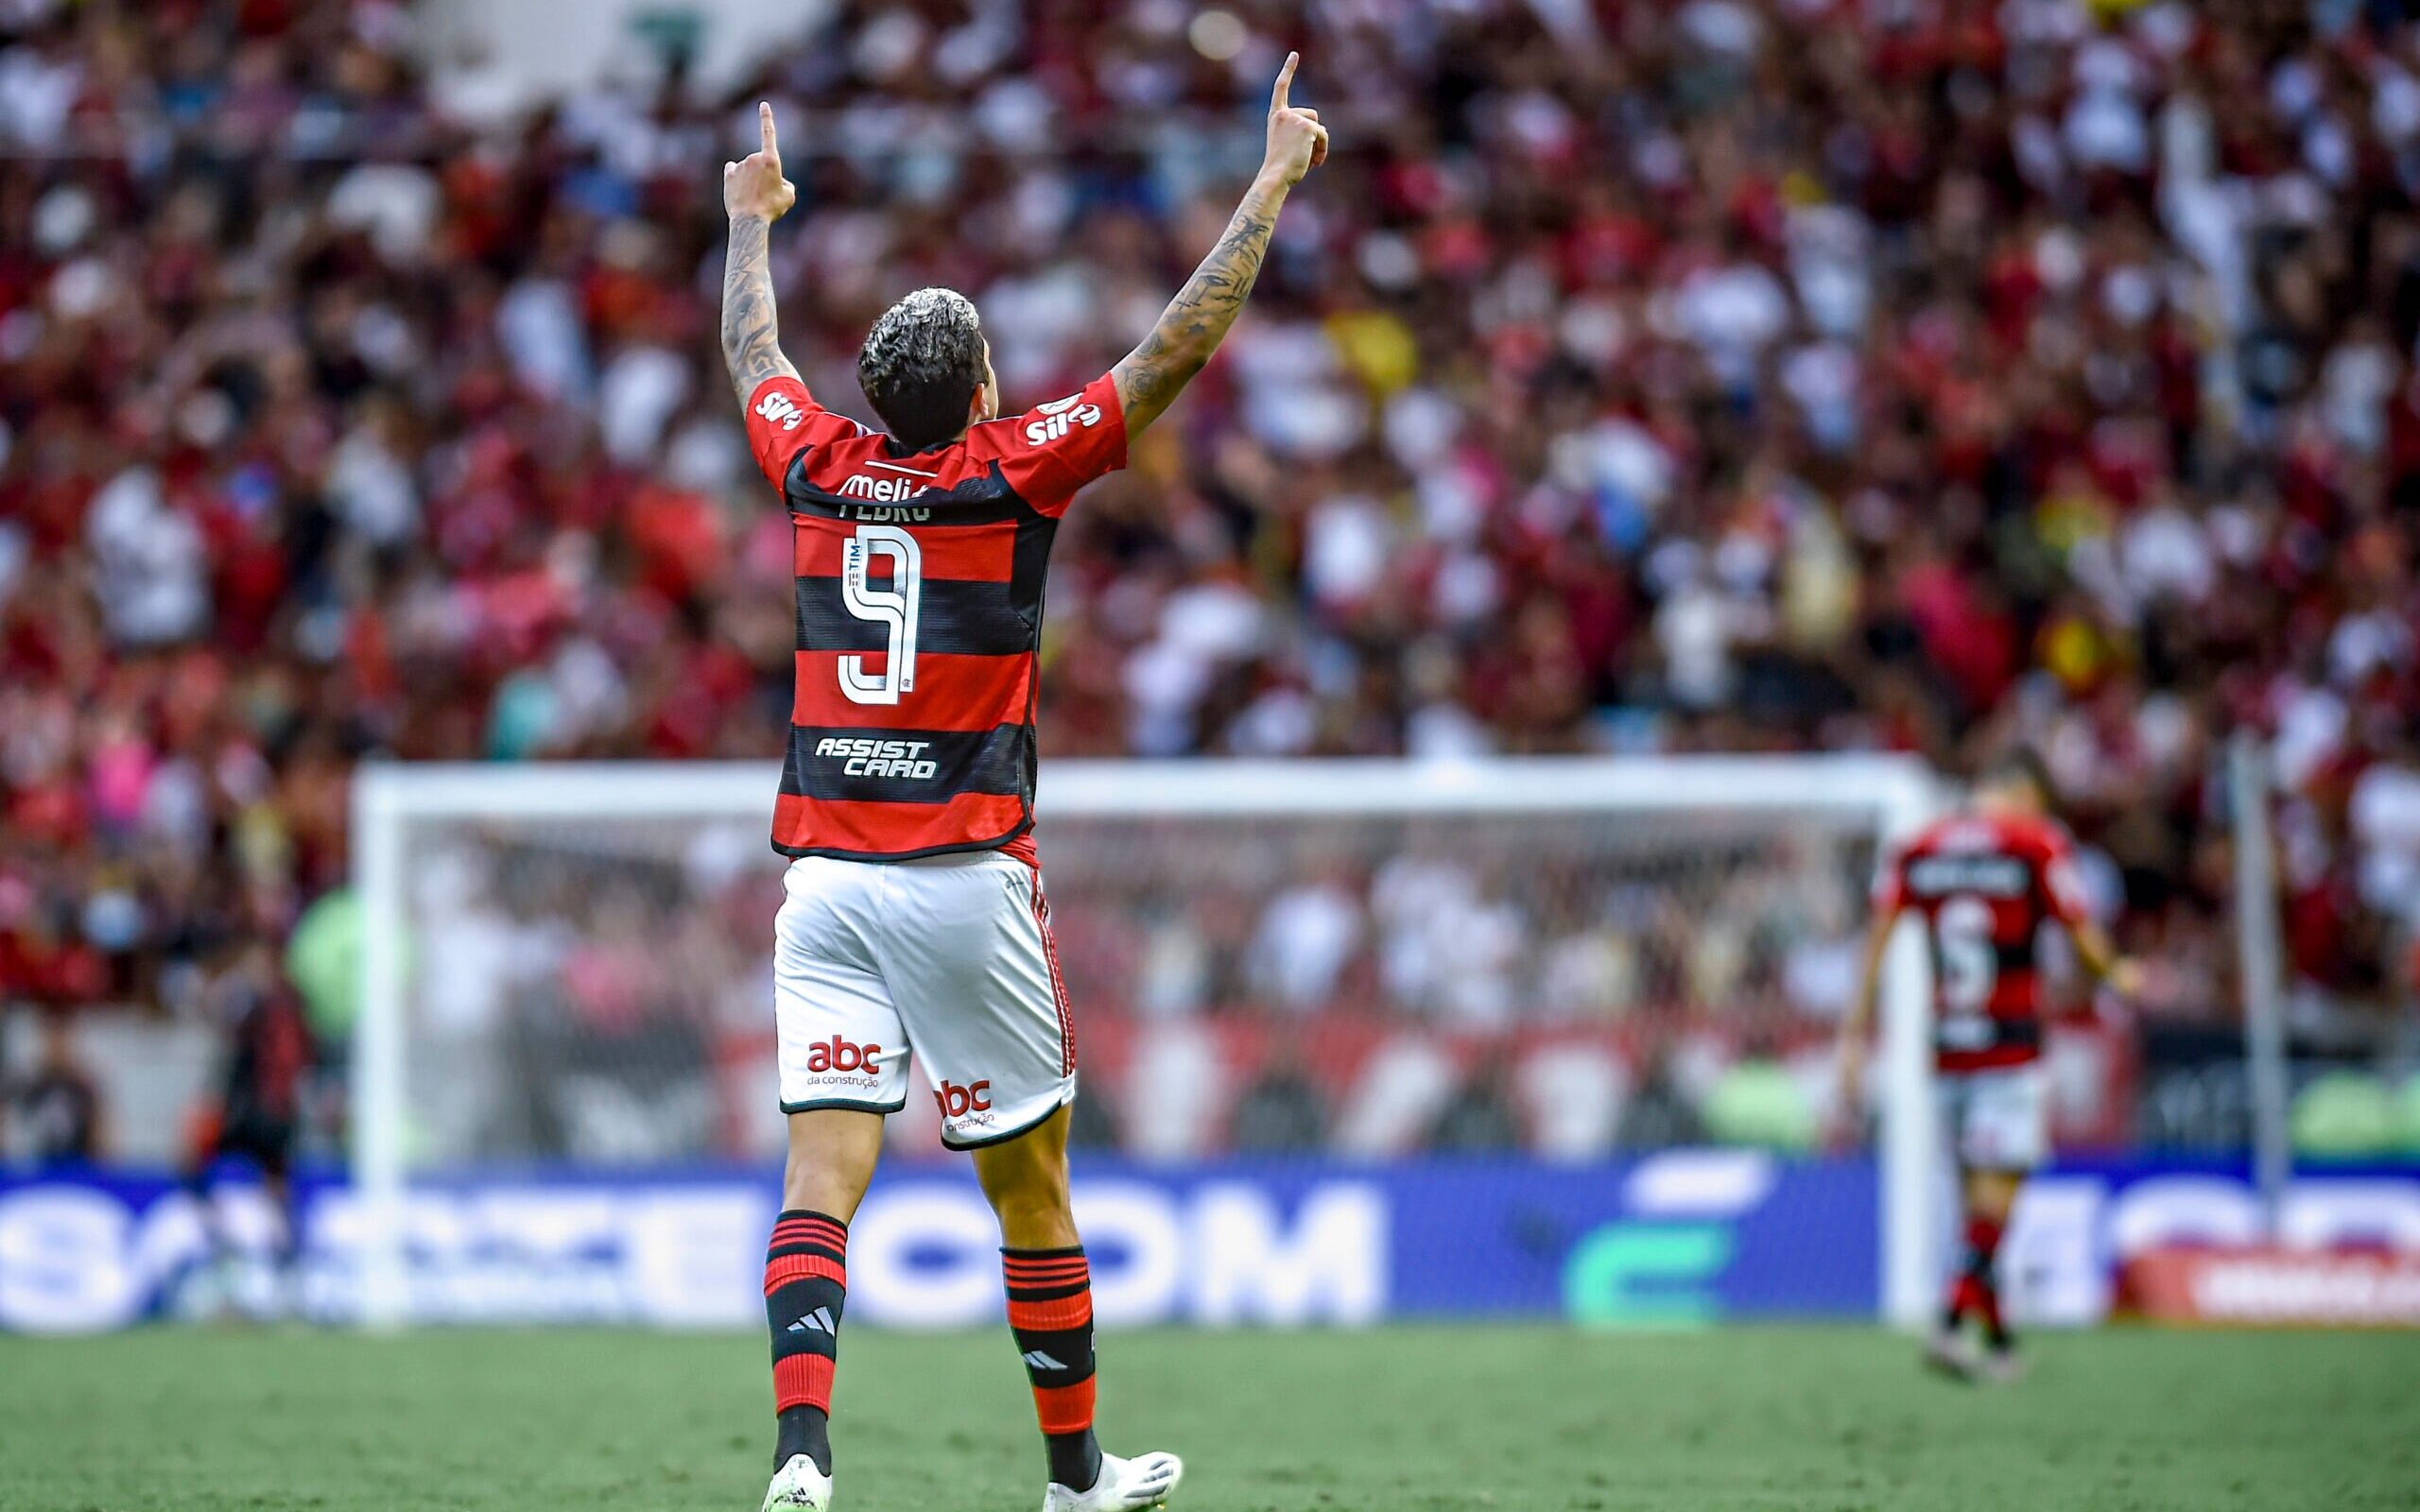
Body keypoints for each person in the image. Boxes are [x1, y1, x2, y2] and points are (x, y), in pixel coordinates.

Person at [719, 55, 1327, 1512]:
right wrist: (1273, 180)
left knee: (822, 1182)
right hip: (961, 875)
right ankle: (1073, 1478)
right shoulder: (1013, 471)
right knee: (1030, 1189)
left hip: (823, 884)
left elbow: (754, 357)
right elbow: (1172, 352)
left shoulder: (815, 467)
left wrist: (750, 219)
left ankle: (802, 1461)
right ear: (982, 386)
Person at [1835, 749, 2139, 1383]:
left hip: (1949, 1046)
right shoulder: (2036, 844)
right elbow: (2081, 935)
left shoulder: (1919, 848)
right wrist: (2119, 973)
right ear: (2024, 791)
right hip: (2011, 1045)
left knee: (1979, 1200)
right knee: (1999, 1200)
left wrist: (1854, 1035)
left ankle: (1996, 1341)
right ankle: (1951, 1319)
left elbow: (1877, 945)